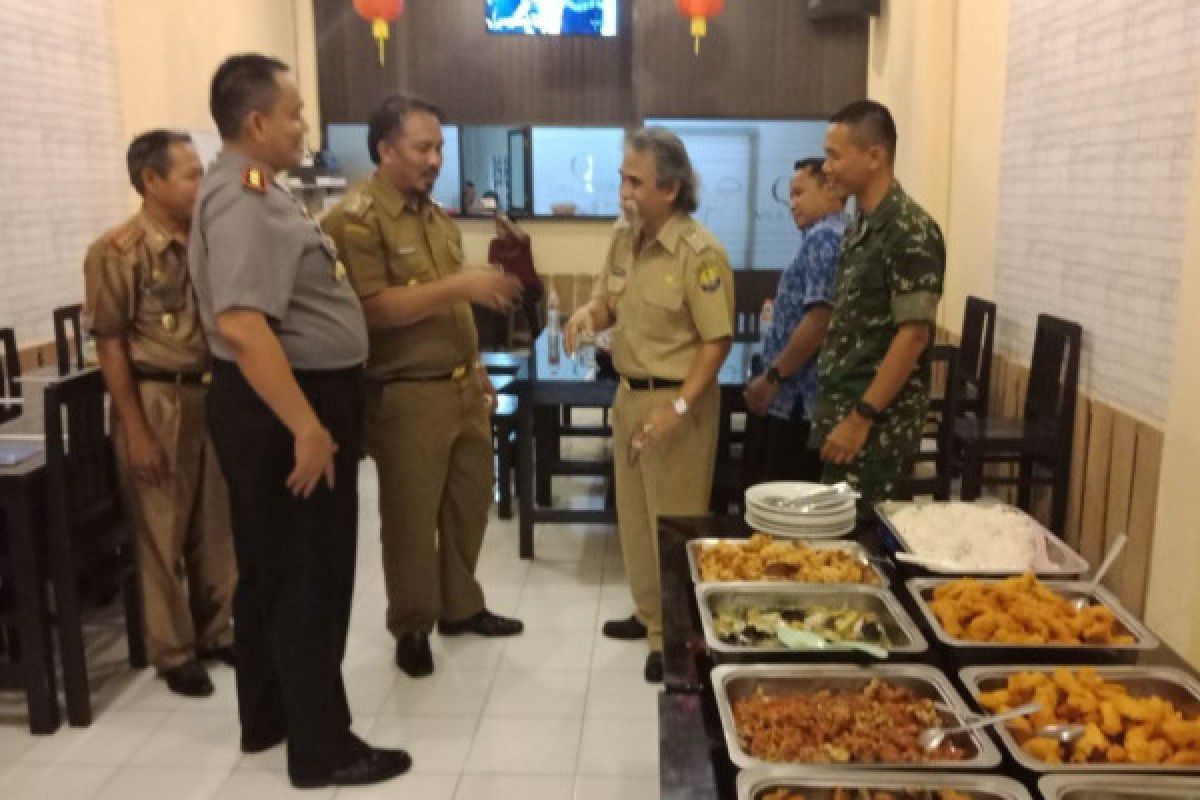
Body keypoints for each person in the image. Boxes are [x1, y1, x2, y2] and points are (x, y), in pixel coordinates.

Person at [189, 54, 409, 788]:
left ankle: (270, 717)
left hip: (275, 402)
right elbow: (246, 326)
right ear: (256, 122)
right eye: (294, 114)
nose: (303, 127)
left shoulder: (252, 190)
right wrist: (308, 427)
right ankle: (324, 749)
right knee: (312, 580)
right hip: (286, 408)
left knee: (273, 574)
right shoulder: (245, 198)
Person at [321, 94, 525, 680]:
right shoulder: (355, 219)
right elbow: (375, 309)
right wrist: (463, 287)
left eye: (439, 147)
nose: (436, 158)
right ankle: (412, 625)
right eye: (423, 147)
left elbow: (447, 310)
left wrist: (477, 366)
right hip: (406, 394)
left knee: (469, 505)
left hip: (461, 386)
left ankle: (461, 606)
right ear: (386, 150)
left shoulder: (434, 215)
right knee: (411, 518)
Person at [564, 128, 734, 683]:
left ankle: (676, 636)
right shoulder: (625, 240)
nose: (624, 191)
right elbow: (611, 303)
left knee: (672, 524)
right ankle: (649, 614)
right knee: (634, 518)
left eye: (635, 182)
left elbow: (716, 344)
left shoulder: (699, 253)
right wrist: (589, 314)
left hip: (676, 404)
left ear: (671, 188)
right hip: (630, 396)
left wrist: (679, 410)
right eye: (622, 179)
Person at [83, 130, 237, 698]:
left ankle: (218, 631)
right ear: (152, 181)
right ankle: (173, 650)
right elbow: (111, 345)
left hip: (209, 392)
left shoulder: (204, 239)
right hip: (155, 397)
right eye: (191, 173)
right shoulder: (118, 251)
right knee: (160, 529)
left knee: (214, 524)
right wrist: (137, 430)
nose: (202, 182)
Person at [812, 100, 946, 513]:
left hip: (875, 427)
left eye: (835, 156)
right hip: (843, 407)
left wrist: (859, 419)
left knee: (866, 545)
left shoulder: (910, 230)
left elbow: (914, 336)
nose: (826, 167)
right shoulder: (862, 226)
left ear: (875, 156)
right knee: (838, 540)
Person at [743, 158, 846, 481]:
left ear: (830, 190)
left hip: (801, 401)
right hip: (796, 399)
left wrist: (772, 377)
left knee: (785, 497)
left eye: (800, 193)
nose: (792, 204)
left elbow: (819, 320)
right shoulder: (823, 235)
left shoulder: (825, 239)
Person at [488, 211, 545, 337]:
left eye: (502, 227)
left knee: (527, 299)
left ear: (510, 228)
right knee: (494, 303)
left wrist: (505, 220)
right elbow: (495, 269)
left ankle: (537, 338)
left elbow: (522, 236)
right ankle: (499, 344)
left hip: (529, 286)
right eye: (497, 226)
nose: (498, 230)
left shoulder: (522, 241)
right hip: (508, 287)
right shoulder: (495, 245)